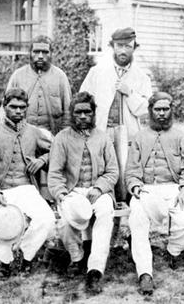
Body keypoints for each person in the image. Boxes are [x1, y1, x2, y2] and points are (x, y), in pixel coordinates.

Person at [125, 92, 184, 295]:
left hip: (174, 188)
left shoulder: (180, 135)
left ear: (171, 111)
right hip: (146, 189)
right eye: (158, 109)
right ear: (150, 111)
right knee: (137, 220)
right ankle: (145, 273)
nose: (162, 114)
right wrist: (136, 187)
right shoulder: (140, 136)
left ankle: (172, 251)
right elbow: (131, 170)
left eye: (166, 109)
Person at [46, 91, 119, 295]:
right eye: (78, 113)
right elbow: (55, 173)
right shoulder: (62, 138)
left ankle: (95, 269)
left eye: (87, 112)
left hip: (98, 190)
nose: (83, 117)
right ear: (72, 114)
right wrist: (61, 194)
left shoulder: (103, 138)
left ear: (94, 113)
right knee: (67, 219)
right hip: (72, 190)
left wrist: (99, 188)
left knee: (105, 213)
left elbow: (112, 171)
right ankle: (77, 257)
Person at [0, 88, 55, 278]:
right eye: (13, 107)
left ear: (27, 108)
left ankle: (25, 254)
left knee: (47, 219)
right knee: (4, 218)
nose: (18, 111)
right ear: (5, 107)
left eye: (22, 107)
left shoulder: (34, 133)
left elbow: (57, 152)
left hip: (26, 189)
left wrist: (42, 160)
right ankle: (4, 261)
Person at [80, 27, 153, 201]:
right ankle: (104, 209)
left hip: (127, 133)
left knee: (124, 171)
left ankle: (124, 211)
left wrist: (129, 93)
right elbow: (83, 100)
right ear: (112, 46)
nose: (123, 50)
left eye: (128, 46)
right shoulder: (97, 72)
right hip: (102, 130)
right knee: (102, 169)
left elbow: (146, 109)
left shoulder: (142, 76)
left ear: (134, 48)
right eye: (119, 46)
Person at [7, 35, 71, 135]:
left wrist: (63, 138)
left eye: (45, 52)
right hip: (22, 136)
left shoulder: (60, 77)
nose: (40, 56)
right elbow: (5, 108)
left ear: (51, 54)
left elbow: (68, 111)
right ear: (30, 53)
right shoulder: (18, 76)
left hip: (52, 136)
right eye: (36, 52)